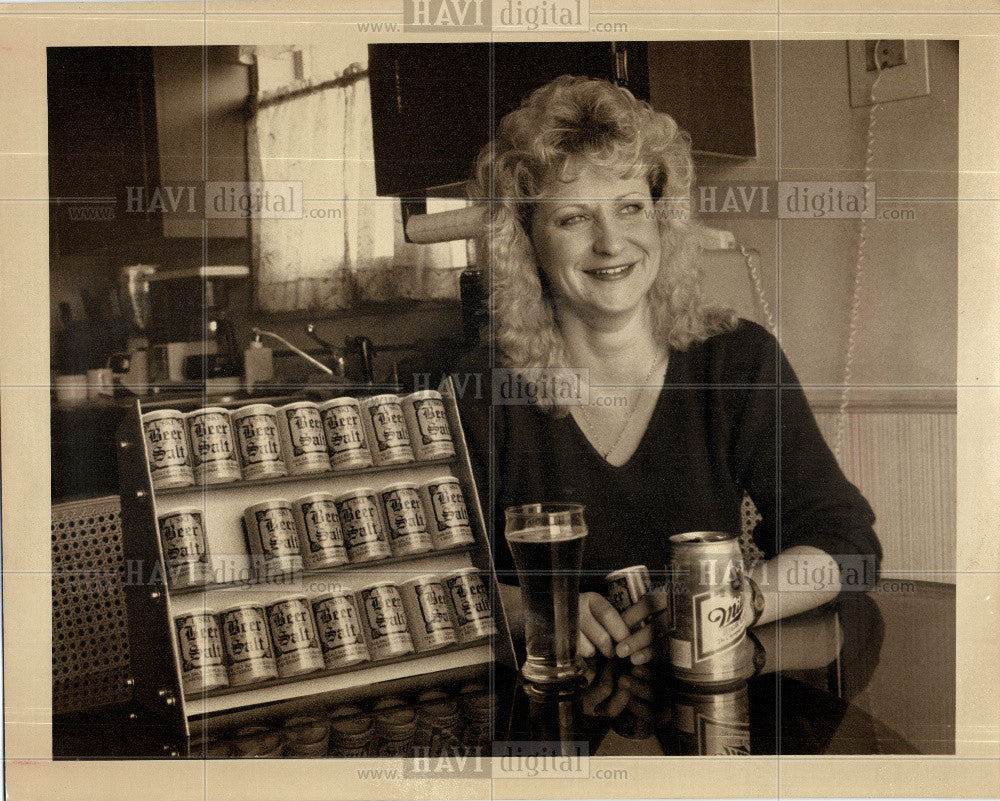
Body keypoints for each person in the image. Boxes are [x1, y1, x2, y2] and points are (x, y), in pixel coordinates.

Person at [457, 75, 881, 667]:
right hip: (551, 727)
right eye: (574, 218)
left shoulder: (735, 360)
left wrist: (728, 604)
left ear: (661, 218)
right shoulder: (479, 390)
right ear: (527, 243)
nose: (612, 242)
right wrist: (536, 609)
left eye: (630, 207)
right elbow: (435, 584)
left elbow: (850, 544)